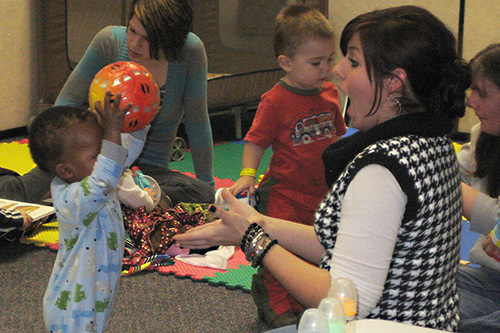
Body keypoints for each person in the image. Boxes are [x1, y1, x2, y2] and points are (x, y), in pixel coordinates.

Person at [174, 5, 471, 331]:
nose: (338, 70)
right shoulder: (433, 140)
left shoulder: (383, 169)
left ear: (394, 84)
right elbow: (348, 245)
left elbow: (347, 298)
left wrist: (253, 238)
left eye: (353, 61)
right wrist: (258, 222)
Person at [0, 0, 215, 206]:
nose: (134, 44)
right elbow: (64, 106)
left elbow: (198, 123)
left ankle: (110, 202)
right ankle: (102, 200)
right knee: (16, 195)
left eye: (147, 39)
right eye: (132, 30)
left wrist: (210, 190)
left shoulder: (190, 52)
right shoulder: (110, 41)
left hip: (145, 174)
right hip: (89, 162)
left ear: (169, 40)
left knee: (201, 193)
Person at [227, 5, 346, 327]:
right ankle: (273, 299)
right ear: (286, 63)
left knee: (320, 249)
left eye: (329, 59)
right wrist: (247, 175)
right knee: (280, 250)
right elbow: (255, 140)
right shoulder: (275, 100)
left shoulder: (331, 93)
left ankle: (306, 299)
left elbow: (339, 135)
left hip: (323, 193)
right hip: (286, 194)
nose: (326, 69)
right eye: (315, 63)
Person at [31, 94, 148, 332]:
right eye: (98, 155)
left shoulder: (89, 174)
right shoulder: (73, 198)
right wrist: (112, 133)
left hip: (94, 295)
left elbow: (120, 155)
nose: (106, 156)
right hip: (72, 306)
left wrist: (138, 119)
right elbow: (106, 174)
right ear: (65, 170)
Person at [456, 43, 500, 332]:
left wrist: (441, 182)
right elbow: (454, 167)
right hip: (488, 278)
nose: (471, 102)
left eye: (482, 93)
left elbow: (494, 217)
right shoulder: (484, 137)